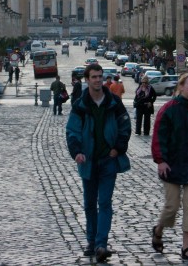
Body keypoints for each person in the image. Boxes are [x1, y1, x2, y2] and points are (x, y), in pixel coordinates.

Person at [66, 64, 131, 262]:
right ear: (87, 79)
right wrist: (76, 152)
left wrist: (118, 148)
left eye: (100, 77)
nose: (97, 80)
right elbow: (72, 131)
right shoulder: (80, 105)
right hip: (88, 161)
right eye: (94, 77)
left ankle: (101, 243)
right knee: (88, 204)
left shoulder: (113, 102)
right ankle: (91, 241)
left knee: (104, 202)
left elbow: (125, 125)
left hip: (108, 160)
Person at [150, 72, 188, 262]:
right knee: (171, 207)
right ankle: (158, 230)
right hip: (172, 165)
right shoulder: (168, 109)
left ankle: (186, 248)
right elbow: (159, 136)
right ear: (181, 87)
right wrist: (161, 160)